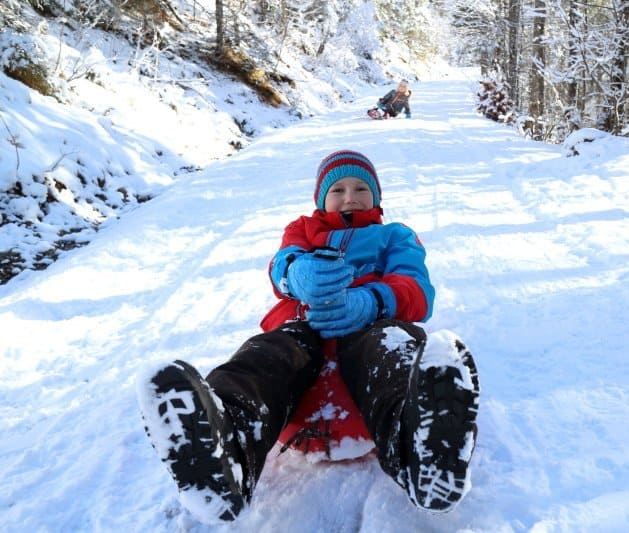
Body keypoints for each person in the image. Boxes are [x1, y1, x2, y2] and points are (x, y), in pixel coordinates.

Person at [138, 149, 480, 523]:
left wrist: (373, 300)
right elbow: (281, 266)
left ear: (377, 197)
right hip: (306, 324)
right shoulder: (302, 229)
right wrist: (297, 275)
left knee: (391, 354)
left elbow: (417, 290)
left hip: (370, 324)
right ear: (321, 198)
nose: (350, 196)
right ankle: (227, 445)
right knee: (266, 356)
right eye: (338, 189)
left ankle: (421, 447)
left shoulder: (394, 236)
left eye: (361, 187)